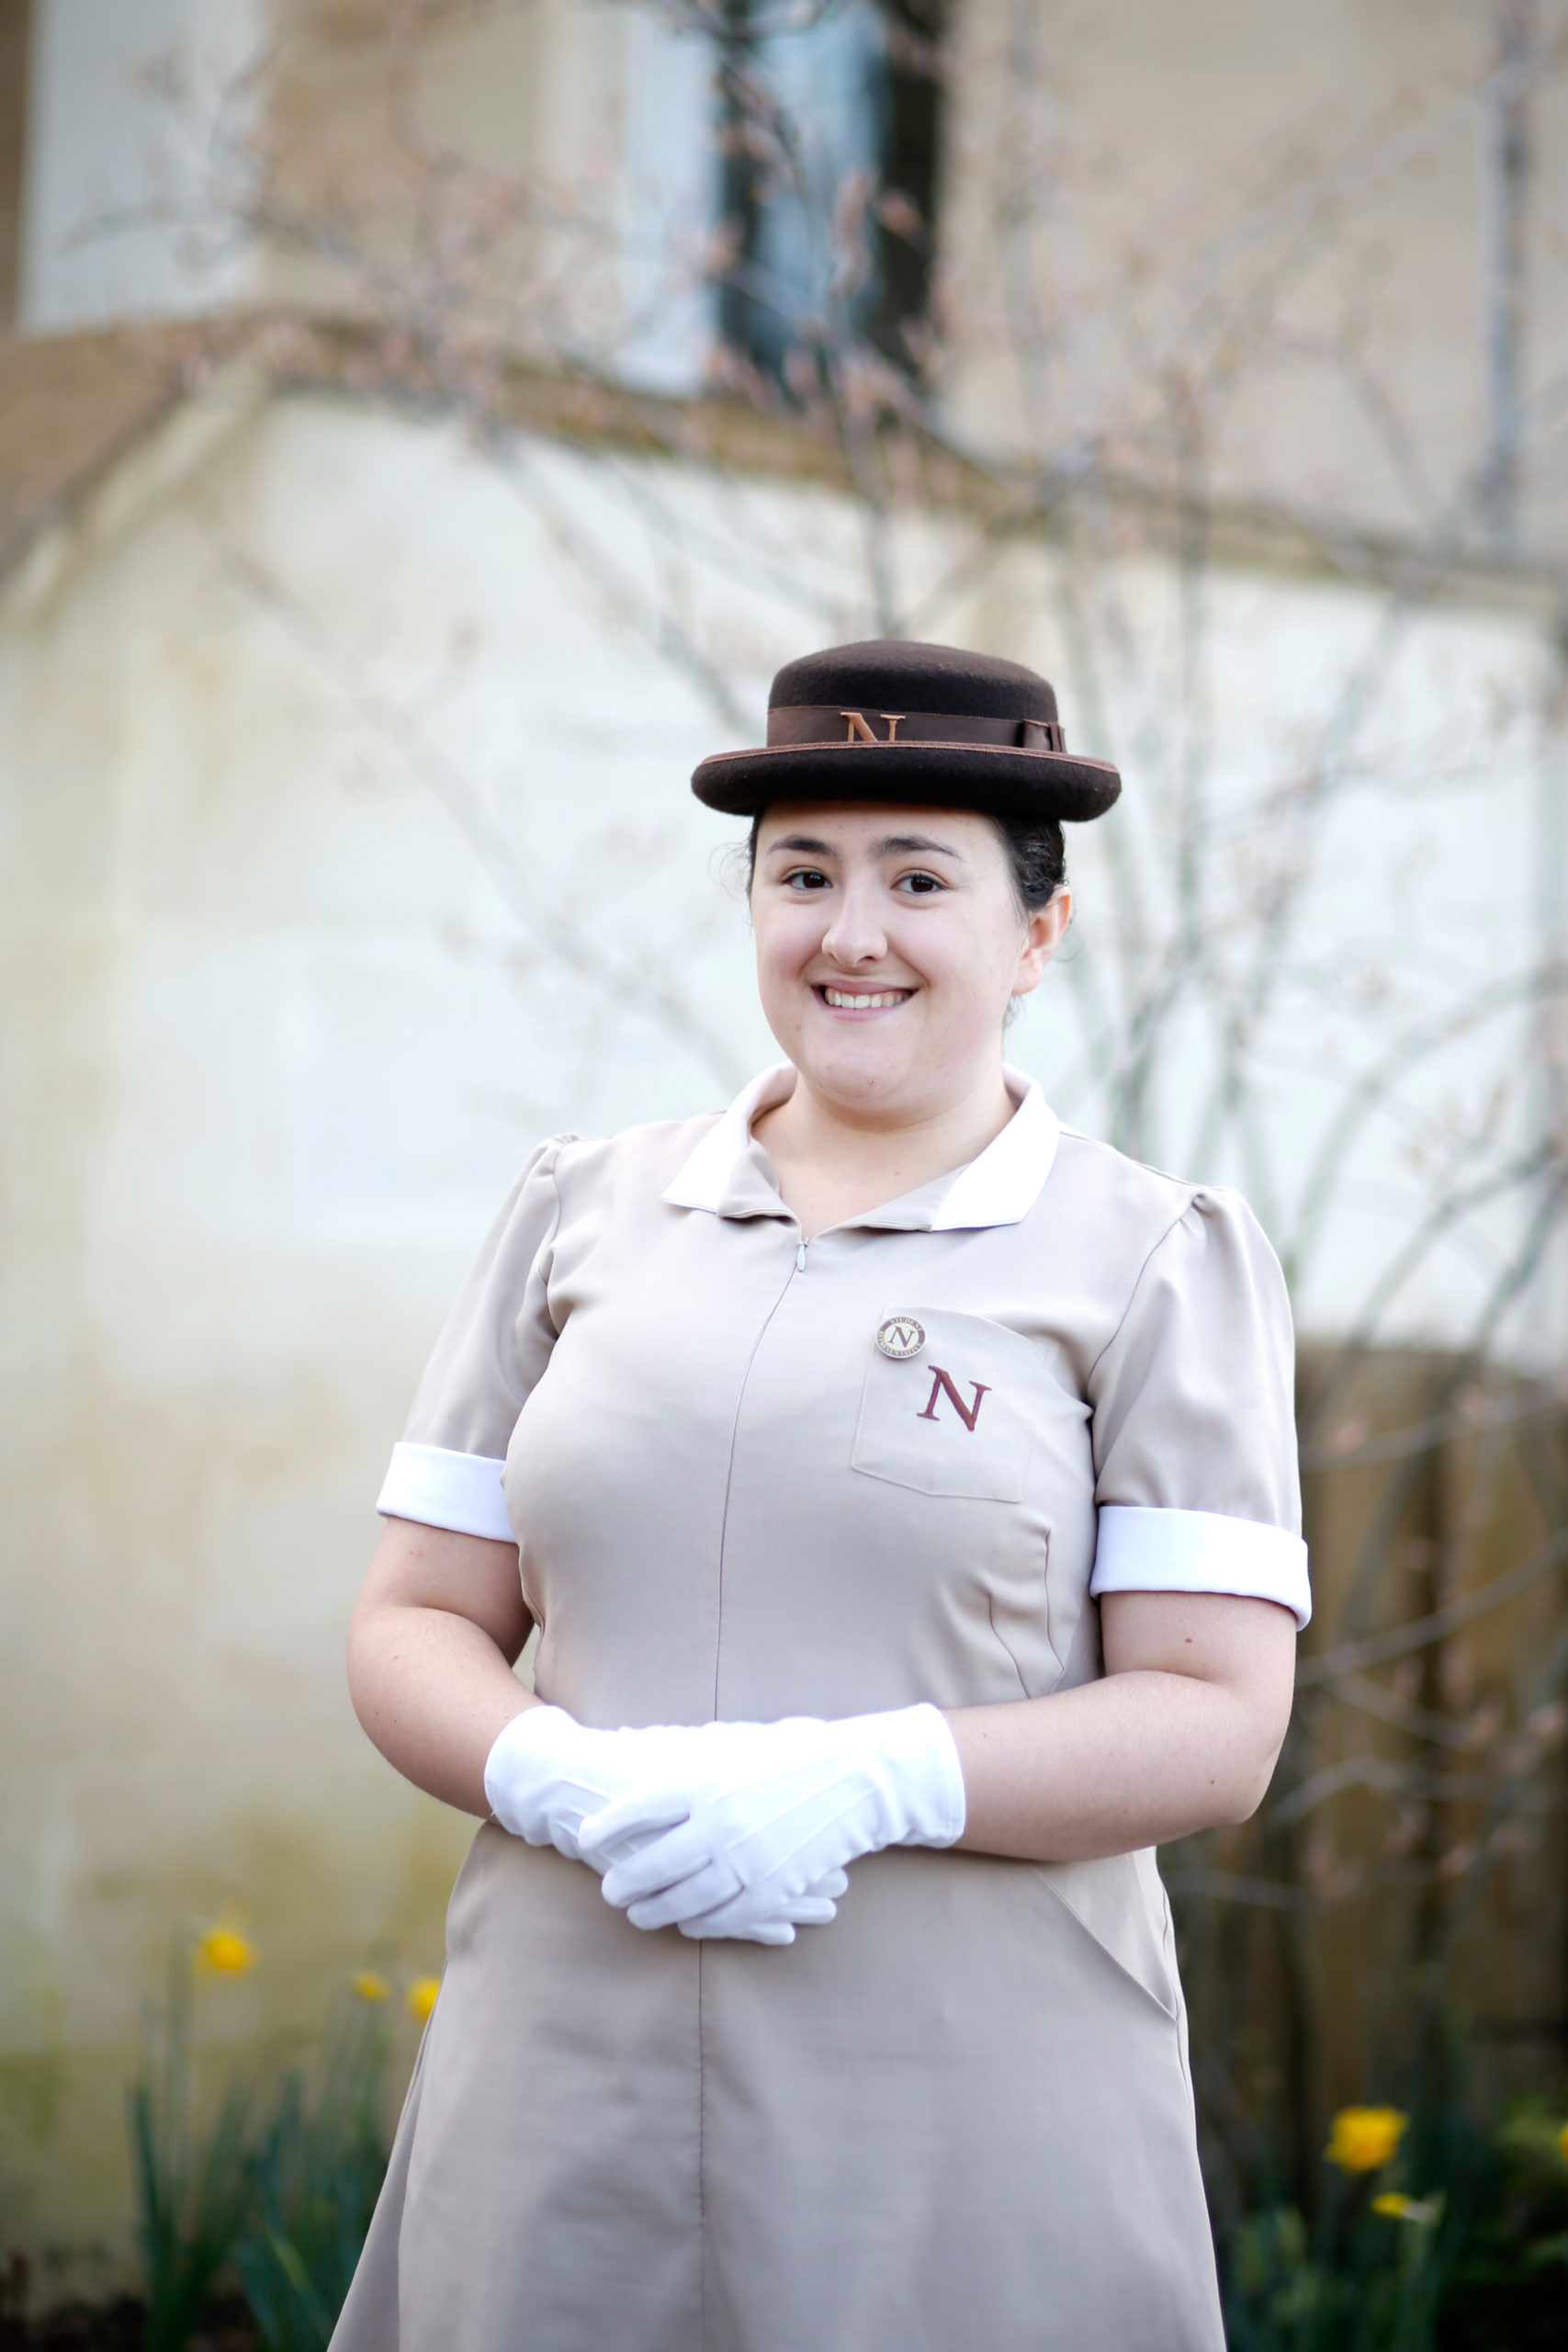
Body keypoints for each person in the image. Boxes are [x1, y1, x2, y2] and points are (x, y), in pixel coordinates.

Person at [330, 639, 1308, 2352]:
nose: (851, 932)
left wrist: (875, 1780)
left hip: (965, 2122)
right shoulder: (578, 1214)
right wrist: (553, 1778)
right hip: (564, 2083)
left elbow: (1218, 1722)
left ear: (1037, 932)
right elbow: (416, 1618)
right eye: (803, 873)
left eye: (918, 877)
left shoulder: (1155, 1260)